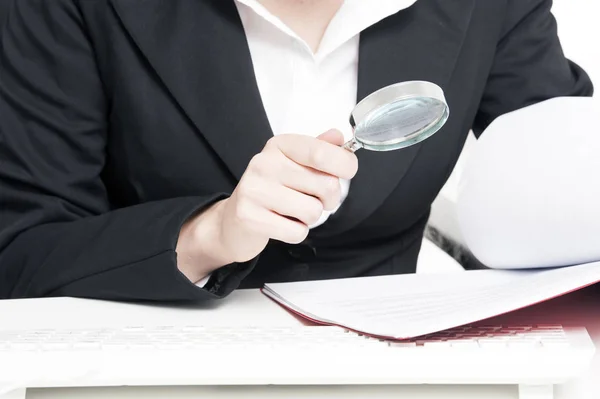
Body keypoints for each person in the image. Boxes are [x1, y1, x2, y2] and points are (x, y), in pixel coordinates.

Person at [0, 0, 593, 301]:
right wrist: (210, 235)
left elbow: (568, 179)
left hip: (401, 376)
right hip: (141, 368)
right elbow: (20, 249)